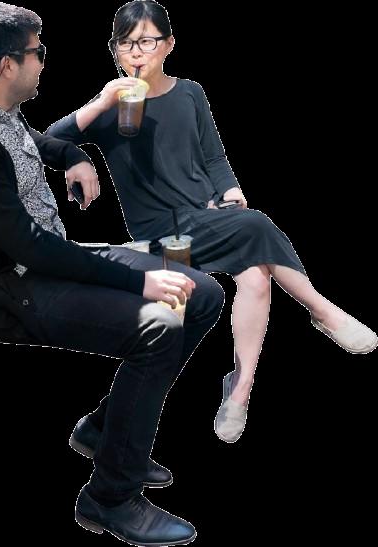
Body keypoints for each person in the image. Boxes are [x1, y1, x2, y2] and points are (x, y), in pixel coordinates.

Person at [0, 2, 225, 545]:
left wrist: (71, 155)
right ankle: (110, 497)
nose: (44, 62)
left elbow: (29, 143)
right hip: (6, 287)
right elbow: (31, 249)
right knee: (160, 324)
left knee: (200, 293)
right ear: (7, 64)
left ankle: (107, 430)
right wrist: (140, 281)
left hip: (47, 257)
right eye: (37, 52)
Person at [46, 0, 377, 444]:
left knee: (254, 279)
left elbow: (214, 157)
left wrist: (230, 189)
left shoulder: (190, 93)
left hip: (207, 217)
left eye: (146, 41)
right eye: (125, 44)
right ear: (115, 51)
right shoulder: (112, 104)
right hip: (162, 236)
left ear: (169, 44)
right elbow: (47, 141)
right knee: (241, 245)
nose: (136, 52)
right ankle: (320, 309)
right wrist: (85, 140)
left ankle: (239, 388)